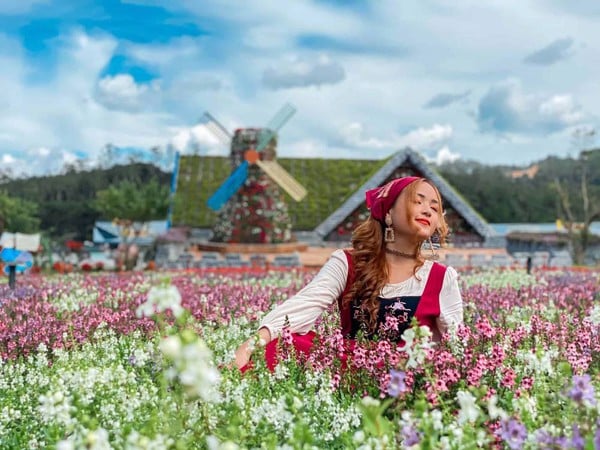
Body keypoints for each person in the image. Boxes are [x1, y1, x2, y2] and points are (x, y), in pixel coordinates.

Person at [234, 176, 463, 370]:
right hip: (346, 369)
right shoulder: (347, 262)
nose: (428, 211)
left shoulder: (442, 277)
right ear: (388, 214)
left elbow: (455, 344)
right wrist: (252, 344)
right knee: (282, 343)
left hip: (404, 377)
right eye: (418, 201)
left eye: (435, 208)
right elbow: (304, 305)